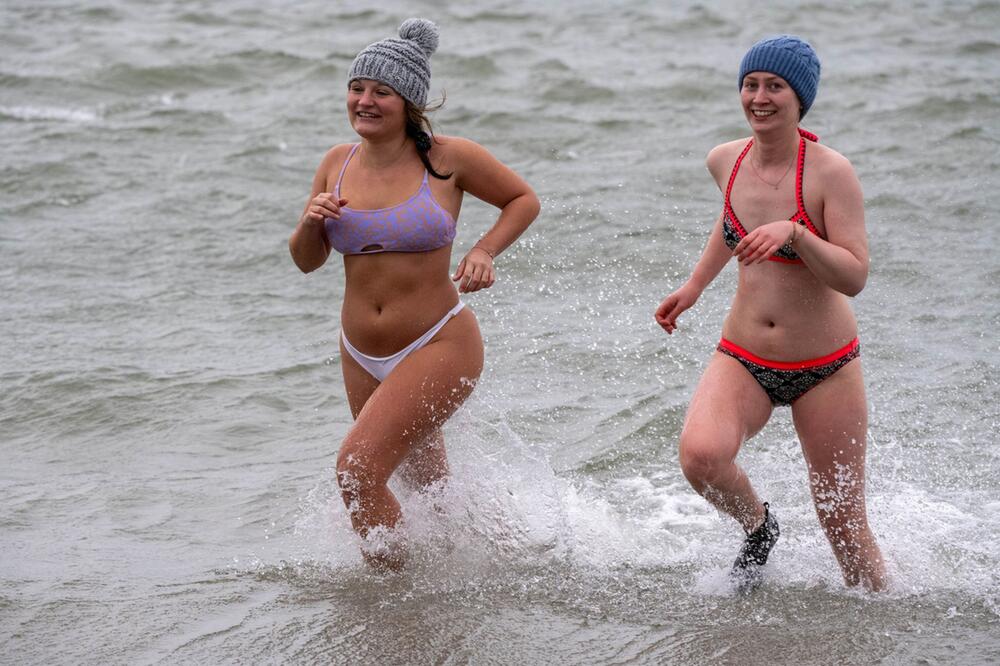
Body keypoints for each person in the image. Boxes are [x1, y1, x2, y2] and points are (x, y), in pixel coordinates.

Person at [289, 18, 539, 571]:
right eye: (357, 88)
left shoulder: (449, 158)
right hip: (360, 353)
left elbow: (522, 199)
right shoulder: (337, 162)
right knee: (426, 488)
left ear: (409, 102)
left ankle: (395, 600)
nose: (365, 100)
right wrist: (309, 223)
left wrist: (484, 251)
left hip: (439, 342)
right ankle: (490, 561)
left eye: (381, 91)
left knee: (357, 468)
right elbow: (308, 262)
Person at [654, 35, 886, 592]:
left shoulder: (832, 174)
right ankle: (759, 527)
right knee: (701, 457)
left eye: (774, 86)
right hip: (745, 353)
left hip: (825, 366)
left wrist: (797, 234)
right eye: (750, 84)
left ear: (799, 98)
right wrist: (694, 285)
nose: (759, 97)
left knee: (843, 523)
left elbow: (854, 276)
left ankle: (886, 622)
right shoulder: (725, 161)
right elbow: (730, 220)